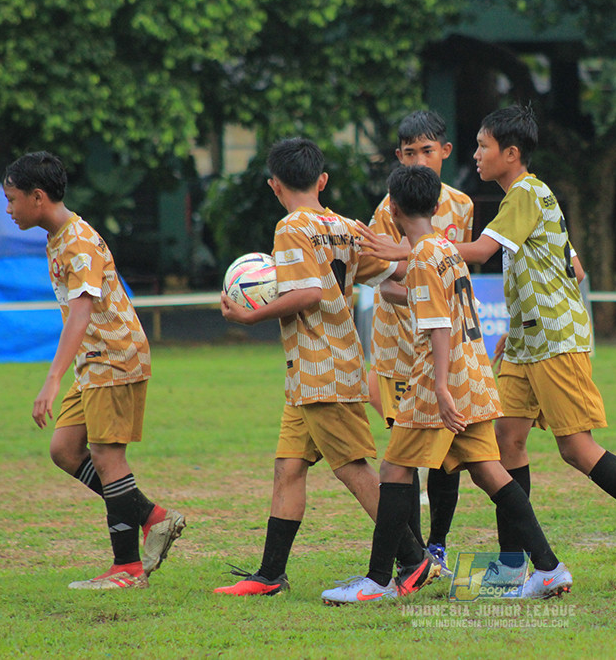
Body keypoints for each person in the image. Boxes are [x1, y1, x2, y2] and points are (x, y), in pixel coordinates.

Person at [457, 105, 616, 586]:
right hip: (527, 339)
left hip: (554, 340)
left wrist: (413, 249)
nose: (476, 155)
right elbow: (577, 268)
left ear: (511, 153)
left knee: (576, 448)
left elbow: (482, 253)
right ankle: (512, 571)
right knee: (505, 440)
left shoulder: (526, 193)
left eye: (482, 146)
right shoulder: (532, 198)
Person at [321, 165, 571, 604]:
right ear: (437, 206)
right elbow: (432, 296)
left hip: (441, 382)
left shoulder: (421, 257)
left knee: (394, 470)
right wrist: (397, 257)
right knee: (491, 473)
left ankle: (378, 581)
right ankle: (550, 568)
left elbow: (436, 327)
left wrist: (438, 387)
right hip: (474, 376)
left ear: (392, 209)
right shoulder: (446, 250)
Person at [215, 138, 438, 597]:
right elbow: (390, 279)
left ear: (275, 185)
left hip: (325, 370)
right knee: (288, 467)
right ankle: (270, 574)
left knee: (355, 470)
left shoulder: (290, 227)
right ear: (322, 181)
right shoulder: (343, 227)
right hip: (311, 372)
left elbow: (310, 292)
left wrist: (249, 315)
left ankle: (415, 561)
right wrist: (433, 290)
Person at [3, 151, 185, 590]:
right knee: (65, 449)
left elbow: (81, 316)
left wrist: (51, 380)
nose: (7, 208)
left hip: (114, 357)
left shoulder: (78, 242)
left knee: (107, 458)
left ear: (38, 197)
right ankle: (152, 516)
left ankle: (126, 568)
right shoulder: (58, 235)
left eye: (12, 199)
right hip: (94, 361)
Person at [367, 110, 472, 575]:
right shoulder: (389, 207)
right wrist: (418, 284)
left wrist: (422, 277)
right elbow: (383, 277)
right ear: (398, 157)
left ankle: (438, 545)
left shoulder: (463, 206)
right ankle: (410, 558)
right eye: (409, 153)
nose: (418, 160)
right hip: (398, 349)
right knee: (404, 455)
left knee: (448, 456)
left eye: (426, 151)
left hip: (443, 346)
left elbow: (450, 271)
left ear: (445, 152)